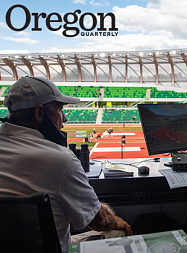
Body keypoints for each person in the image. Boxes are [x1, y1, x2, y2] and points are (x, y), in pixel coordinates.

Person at [0, 77, 132, 252]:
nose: (64, 118)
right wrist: (120, 222)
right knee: (119, 232)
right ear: (39, 113)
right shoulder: (61, 160)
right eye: (60, 110)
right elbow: (99, 220)